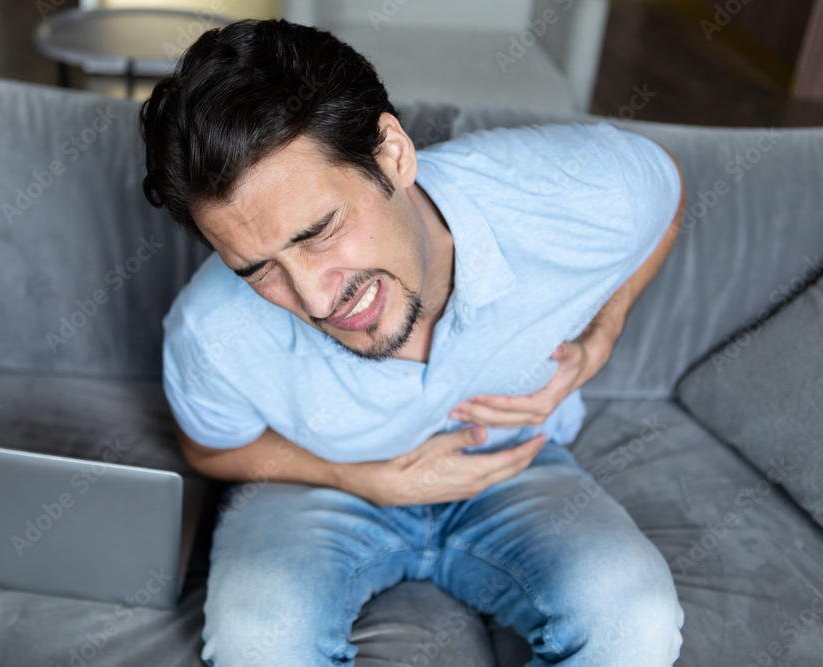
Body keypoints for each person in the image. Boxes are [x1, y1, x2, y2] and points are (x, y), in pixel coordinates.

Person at [140, 18, 687, 667]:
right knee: (259, 641)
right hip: (319, 487)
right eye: (259, 269)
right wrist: (358, 476)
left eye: (318, 231)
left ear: (392, 153)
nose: (317, 301)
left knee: (637, 624)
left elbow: (665, 197)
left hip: (514, 464)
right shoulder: (208, 331)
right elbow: (209, 444)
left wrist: (603, 332)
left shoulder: (575, 188)